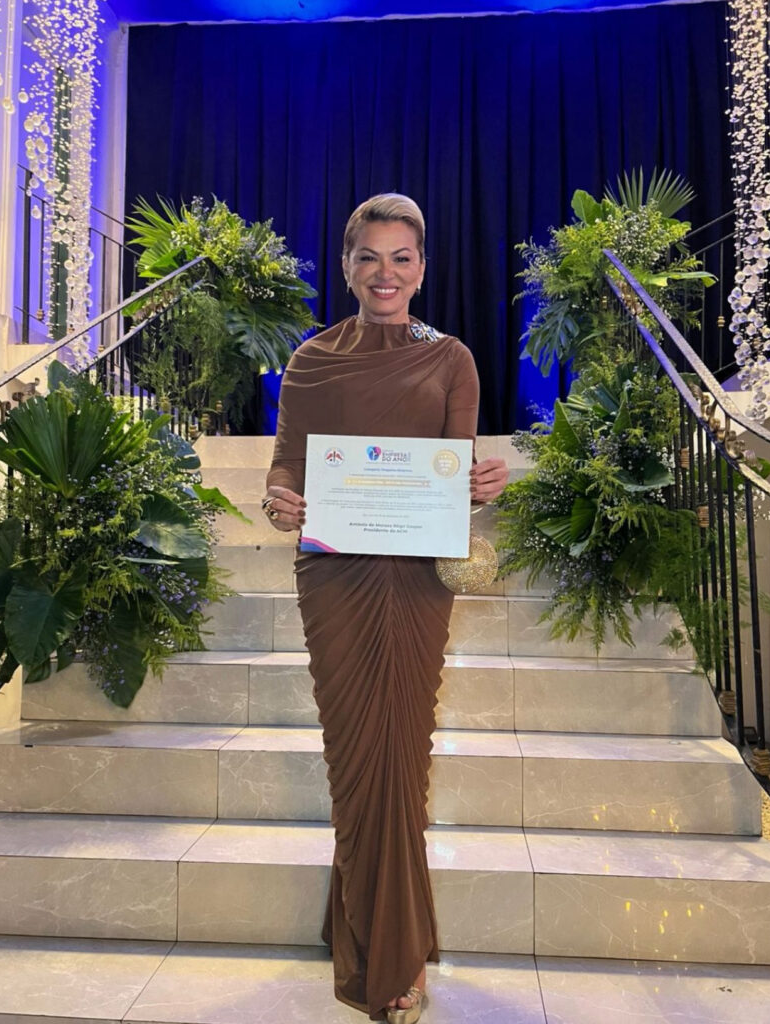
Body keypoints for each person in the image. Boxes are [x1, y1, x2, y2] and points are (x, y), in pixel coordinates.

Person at [263, 193, 508, 1023]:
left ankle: (393, 953)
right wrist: (279, 501)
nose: (385, 273)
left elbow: (457, 474)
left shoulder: (453, 360)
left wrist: (482, 483)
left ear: (423, 269)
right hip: (333, 577)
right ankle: (366, 929)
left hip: (413, 582)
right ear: (346, 265)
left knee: (400, 755)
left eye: (402, 258)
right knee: (352, 755)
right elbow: (286, 467)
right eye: (369, 256)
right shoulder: (311, 361)